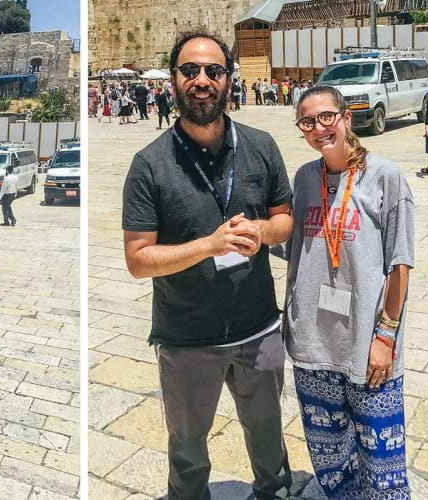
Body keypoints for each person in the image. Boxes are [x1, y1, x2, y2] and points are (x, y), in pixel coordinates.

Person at [122, 31, 294, 500]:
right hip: (186, 339)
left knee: (267, 435)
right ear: (174, 81)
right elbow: (138, 260)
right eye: (190, 71)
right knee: (188, 448)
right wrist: (209, 245)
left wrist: (261, 232)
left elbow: (286, 220)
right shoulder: (150, 165)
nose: (202, 80)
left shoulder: (260, 146)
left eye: (213, 71)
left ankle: (274, 492)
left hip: (257, 328)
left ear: (229, 80)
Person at [287, 85, 414, 498]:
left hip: (366, 348)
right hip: (312, 345)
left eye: (327, 117)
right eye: (308, 122)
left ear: (345, 117)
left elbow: (400, 265)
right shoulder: (305, 178)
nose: (319, 128)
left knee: (383, 466)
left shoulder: (385, 176)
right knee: (330, 463)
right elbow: (294, 245)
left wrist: (386, 337)